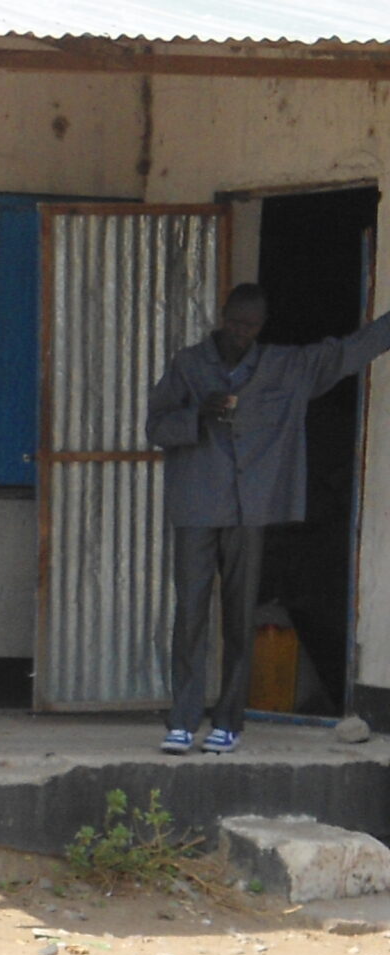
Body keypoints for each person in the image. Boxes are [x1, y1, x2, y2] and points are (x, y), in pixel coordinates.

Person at [146, 282, 390, 754]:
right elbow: (155, 425)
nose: (240, 333)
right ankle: (182, 719)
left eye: (250, 326)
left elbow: (346, 353)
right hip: (196, 504)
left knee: (240, 616)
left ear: (261, 326)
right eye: (235, 322)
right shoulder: (189, 365)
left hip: (249, 508)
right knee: (191, 614)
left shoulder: (284, 367)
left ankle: (229, 722)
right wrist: (198, 413)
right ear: (222, 315)